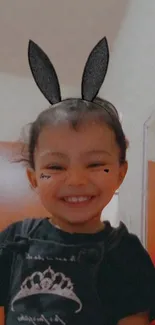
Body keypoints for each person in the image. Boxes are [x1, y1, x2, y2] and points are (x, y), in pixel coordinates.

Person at [0, 37, 155, 325]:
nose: (76, 180)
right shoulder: (14, 241)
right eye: (56, 166)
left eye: (96, 164)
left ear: (121, 172)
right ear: (34, 178)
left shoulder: (127, 256)